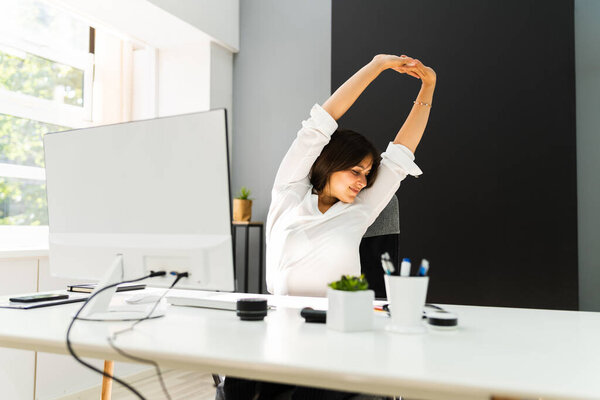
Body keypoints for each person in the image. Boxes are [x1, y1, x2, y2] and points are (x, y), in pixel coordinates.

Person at [266, 54, 436, 297]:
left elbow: (401, 154)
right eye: (355, 171)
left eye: (367, 174)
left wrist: (428, 87)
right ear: (331, 163)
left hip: (342, 322)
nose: (363, 182)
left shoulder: (361, 208)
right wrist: (377, 65)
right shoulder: (289, 191)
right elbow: (322, 121)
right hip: (281, 320)